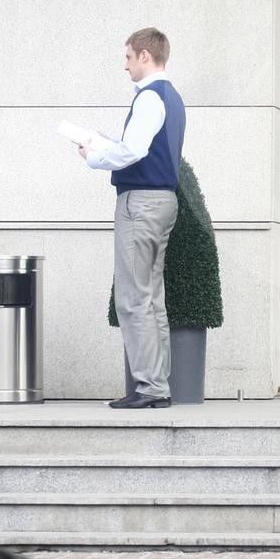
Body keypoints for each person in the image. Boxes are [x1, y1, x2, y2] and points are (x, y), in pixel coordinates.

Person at [79, 27, 187, 409]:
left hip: (140, 204)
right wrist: (110, 144)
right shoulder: (172, 98)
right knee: (152, 298)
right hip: (163, 201)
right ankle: (157, 386)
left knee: (133, 298)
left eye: (128, 57)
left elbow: (134, 151)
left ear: (144, 55)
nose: (125, 66)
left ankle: (150, 388)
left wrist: (95, 156)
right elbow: (143, 148)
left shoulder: (149, 97)